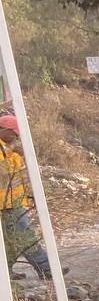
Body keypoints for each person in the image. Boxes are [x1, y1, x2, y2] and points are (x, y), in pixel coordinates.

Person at [0, 115, 53, 278]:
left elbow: (19, 176)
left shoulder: (10, 149)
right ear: (4, 130)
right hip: (6, 203)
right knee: (25, 236)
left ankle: (6, 272)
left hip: (14, 202)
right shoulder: (5, 149)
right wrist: (12, 150)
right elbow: (3, 172)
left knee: (11, 240)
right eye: (14, 134)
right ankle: (45, 269)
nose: (16, 137)